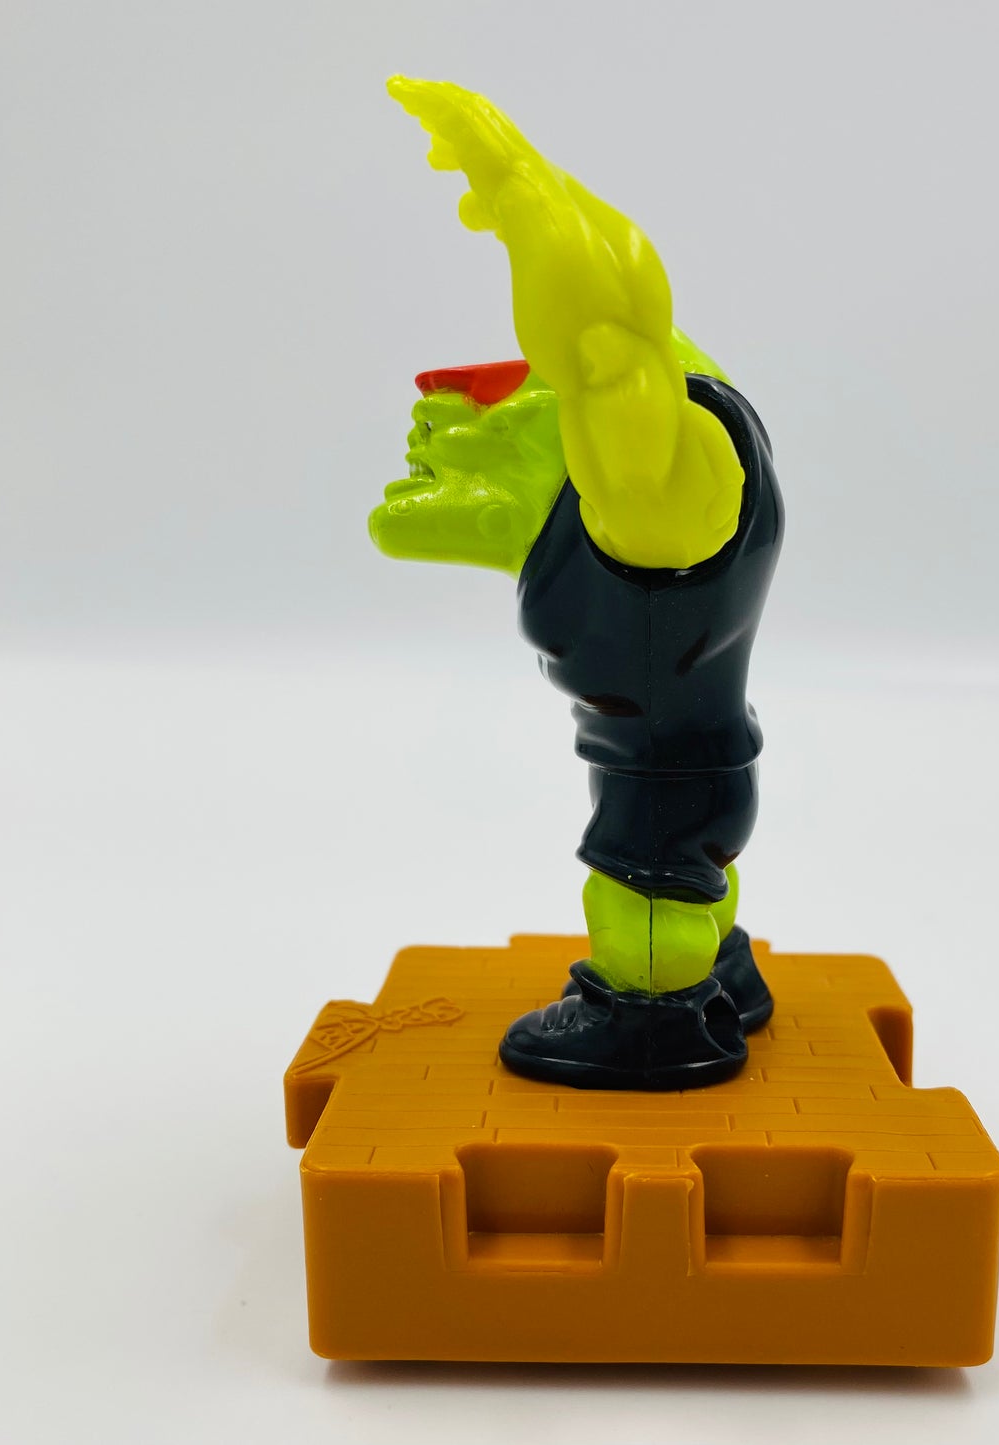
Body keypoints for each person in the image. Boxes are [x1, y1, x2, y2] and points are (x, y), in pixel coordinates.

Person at [371, 79, 783, 1088]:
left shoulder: (649, 506)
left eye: (482, 413)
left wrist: (520, 191)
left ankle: (655, 1012)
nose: (440, 433)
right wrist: (536, 192)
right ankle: (717, 969)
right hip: (687, 762)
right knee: (688, 871)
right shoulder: (652, 491)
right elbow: (633, 330)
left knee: (639, 895)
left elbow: (610, 345)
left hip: (663, 788)